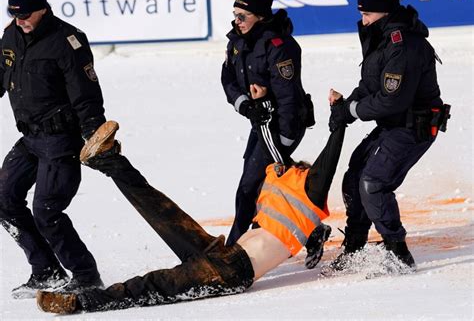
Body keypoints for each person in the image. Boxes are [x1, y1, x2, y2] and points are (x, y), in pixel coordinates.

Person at [36, 90, 346, 314]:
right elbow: (276, 152)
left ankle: (80, 303)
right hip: (222, 252)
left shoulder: (310, 194)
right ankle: (108, 159)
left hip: (231, 273)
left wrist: (338, 124)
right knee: (159, 208)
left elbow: (326, 166)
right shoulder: (283, 182)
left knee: (154, 286)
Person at [327, 0, 449, 273]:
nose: (363, 21)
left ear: (384, 13)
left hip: (413, 127)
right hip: (393, 124)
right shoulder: (381, 39)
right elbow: (370, 85)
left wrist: (354, 110)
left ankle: (398, 253)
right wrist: (346, 106)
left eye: (367, 15)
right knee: (354, 174)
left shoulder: (403, 45)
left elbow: (392, 99)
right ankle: (355, 246)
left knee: (373, 183)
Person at [0, 0, 106, 298]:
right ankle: (46, 271)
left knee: (47, 211)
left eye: (26, 15)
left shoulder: (67, 41)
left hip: (60, 139)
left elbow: (86, 94)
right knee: (4, 199)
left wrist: (95, 132)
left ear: (43, 8)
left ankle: (86, 275)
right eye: (14, 14)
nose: (20, 20)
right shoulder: (11, 35)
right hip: (29, 138)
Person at [221, 0, 317, 253]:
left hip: (284, 124)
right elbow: (227, 79)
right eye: (235, 14)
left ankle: (233, 250)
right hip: (260, 123)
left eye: (243, 16)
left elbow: (287, 96)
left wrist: (284, 138)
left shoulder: (279, 46)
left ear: (260, 16)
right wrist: (246, 106)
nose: (236, 21)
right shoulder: (237, 41)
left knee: (249, 187)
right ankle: (313, 233)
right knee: (259, 184)